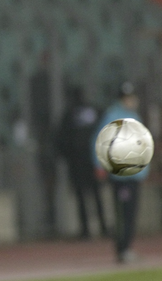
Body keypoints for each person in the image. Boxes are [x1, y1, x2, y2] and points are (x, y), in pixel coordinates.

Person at [93, 82, 149, 263]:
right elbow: (100, 141)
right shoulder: (112, 116)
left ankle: (127, 248)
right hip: (120, 174)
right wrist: (99, 164)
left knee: (131, 212)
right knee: (122, 213)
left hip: (135, 174)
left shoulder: (134, 117)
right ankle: (122, 248)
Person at [56, 86, 108, 239]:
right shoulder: (95, 111)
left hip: (77, 162)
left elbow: (61, 139)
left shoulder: (69, 114)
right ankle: (103, 227)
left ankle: (85, 230)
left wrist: (67, 157)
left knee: (81, 196)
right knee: (96, 194)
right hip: (94, 160)